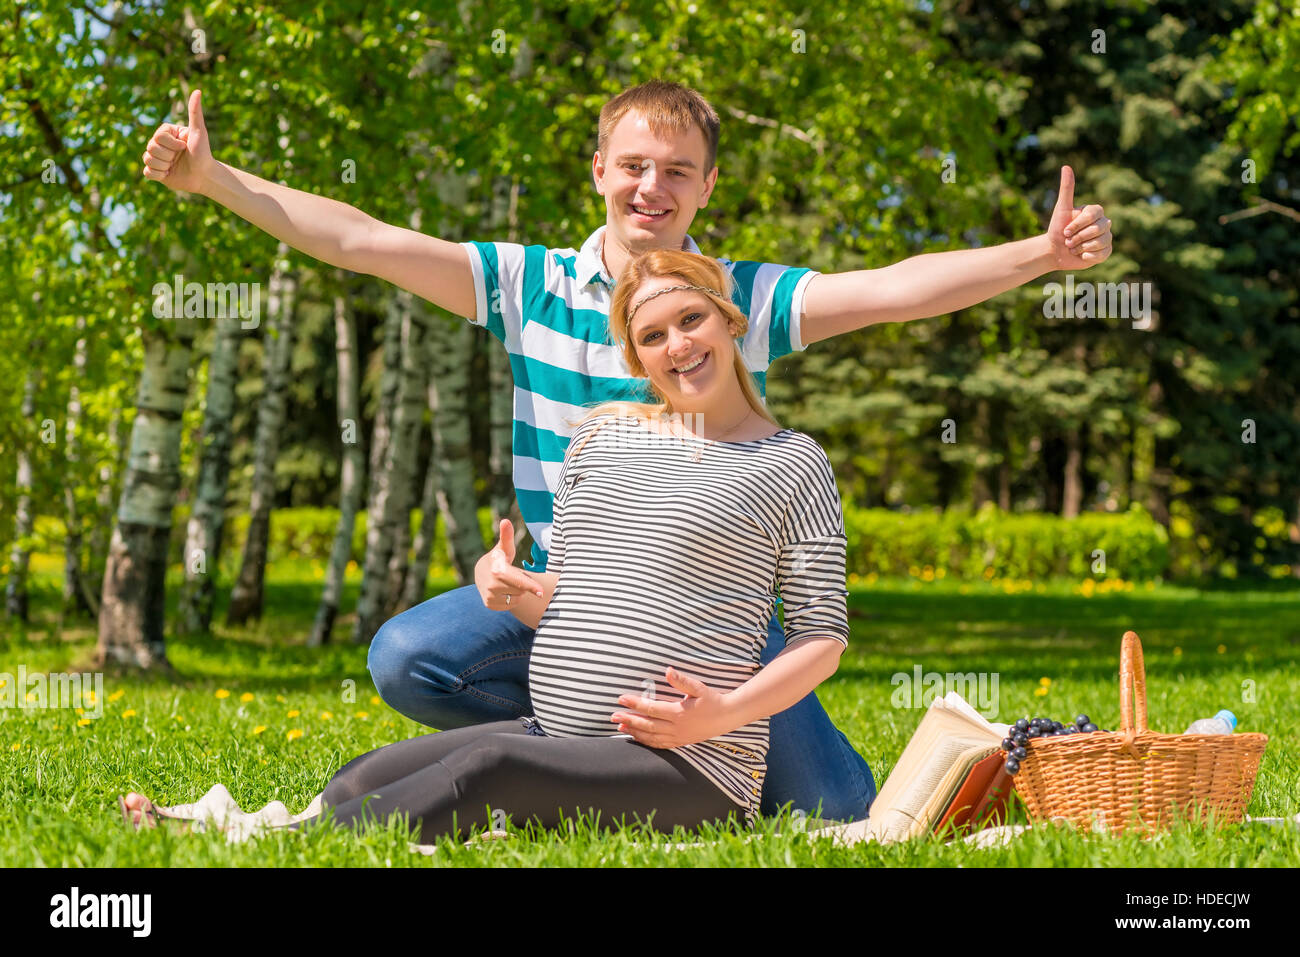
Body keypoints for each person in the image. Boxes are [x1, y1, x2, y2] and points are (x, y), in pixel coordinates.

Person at [140, 78, 1111, 822]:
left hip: (712, 633)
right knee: (408, 658)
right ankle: (600, 747)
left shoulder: (738, 300)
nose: (653, 186)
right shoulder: (529, 285)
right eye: (635, 165)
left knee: (834, 813)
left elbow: (898, 287)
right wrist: (213, 179)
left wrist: (1040, 254)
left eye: (677, 169)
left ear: (706, 186)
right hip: (561, 609)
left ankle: (650, 743)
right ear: (600, 170)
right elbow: (358, 238)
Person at [123, 248, 854, 841]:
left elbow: (822, 636)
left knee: (490, 765)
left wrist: (720, 714)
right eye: (652, 336)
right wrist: (514, 586)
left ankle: (276, 849)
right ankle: (249, 825)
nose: (678, 346)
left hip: (691, 766)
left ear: (729, 320)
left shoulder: (790, 461)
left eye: (691, 319)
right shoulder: (602, 437)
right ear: (637, 357)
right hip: (560, 731)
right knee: (361, 775)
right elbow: (566, 593)